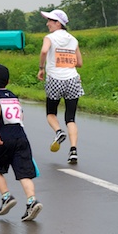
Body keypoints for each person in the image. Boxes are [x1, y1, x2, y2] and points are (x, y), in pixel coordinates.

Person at [0, 63, 42, 221]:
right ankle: (31, 201)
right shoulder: (13, 95)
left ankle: (6, 197)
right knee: (24, 173)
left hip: (3, 138)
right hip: (20, 136)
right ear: (8, 81)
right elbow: (19, 116)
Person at [37, 9, 84, 165]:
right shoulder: (73, 39)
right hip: (72, 79)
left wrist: (41, 68)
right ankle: (73, 151)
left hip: (55, 79)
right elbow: (80, 63)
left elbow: (44, 51)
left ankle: (58, 132)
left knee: (51, 113)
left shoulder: (49, 38)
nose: (47, 23)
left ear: (58, 23)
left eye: (50, 20)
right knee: (70, 118)